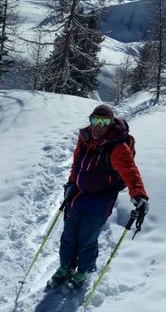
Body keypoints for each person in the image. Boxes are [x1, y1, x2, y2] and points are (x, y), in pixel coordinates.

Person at [51, 104, 149, 288]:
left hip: (100, 200)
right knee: (69, 235)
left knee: (87, 238)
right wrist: (71, 183)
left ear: (111, 123)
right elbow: (77, 163)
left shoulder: (117, 146)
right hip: (77, 195)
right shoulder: (85, 137)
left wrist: (139, 194)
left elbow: (129, 170)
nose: (98, 125)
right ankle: (65, 267)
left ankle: (83, 271)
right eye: (95, 120)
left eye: (104, 122)